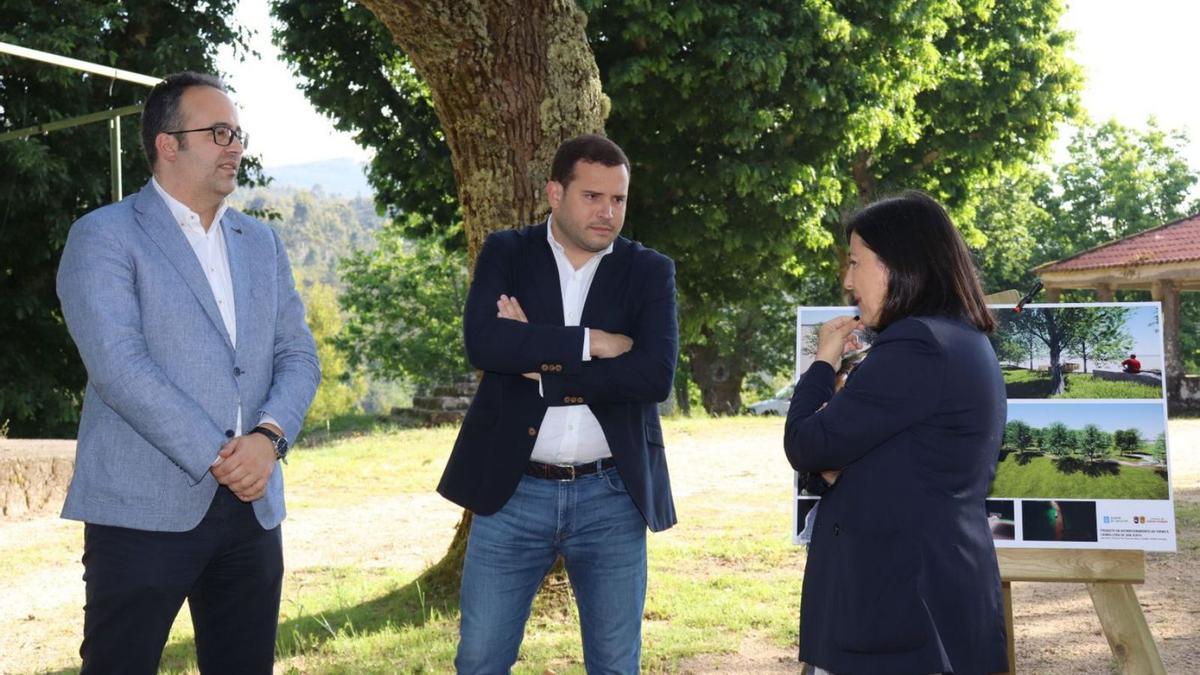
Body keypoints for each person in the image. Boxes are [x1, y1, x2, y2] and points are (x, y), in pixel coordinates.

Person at [56, 72, 320, 674]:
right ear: (167, 144)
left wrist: (269, 440)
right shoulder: (103, 236)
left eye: (238, 133)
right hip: (141, 512)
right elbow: (119, 368)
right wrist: (224, 454)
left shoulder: (261, 243)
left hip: (253, 511)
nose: (235, 146)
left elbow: (298, 355)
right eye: (218, 132)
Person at [438, 134, 678, 673]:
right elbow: (486, 344)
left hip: (612, 494)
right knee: (479, 660)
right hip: (513, 490)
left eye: (618, 199)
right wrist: (591, 343)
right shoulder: (509, 252)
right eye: (592, 196)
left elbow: (654, 376)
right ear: (554, 192)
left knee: (616, 664)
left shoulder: (649, 271)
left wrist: (539, 363)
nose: (607, 212)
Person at [783, 192, 1008, 674]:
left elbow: (807, 443)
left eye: (855, 262)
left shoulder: (916, 344)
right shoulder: (960, 338)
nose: (847, 282)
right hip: (928, 600)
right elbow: (865, 456)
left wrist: (824, 360)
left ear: (899, 263)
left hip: (900, 611)